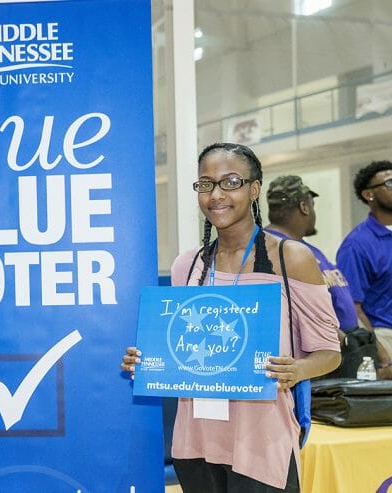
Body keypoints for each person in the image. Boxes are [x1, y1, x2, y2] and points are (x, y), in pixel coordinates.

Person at [121, 143, 341, 492]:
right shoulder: (187, 265)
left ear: (254, 189)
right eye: (206, 184)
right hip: (196, 440)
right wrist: (148, 361)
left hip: (262, 444)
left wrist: (297, 369)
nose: (216, 195)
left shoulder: (291, 259)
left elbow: (329, 353)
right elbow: (179, 343)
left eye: (231, 182)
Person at [264, 175, 382, 378]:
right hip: (320, 356)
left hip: (345, 350)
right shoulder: (272, 248)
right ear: (304, 207)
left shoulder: (305, 248)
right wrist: (335, 336)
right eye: (313, 205)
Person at [336, 160, 392, 379]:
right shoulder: (356, 245)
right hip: (387, 338)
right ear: (369, 194)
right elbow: (353, 309)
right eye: (389, 183)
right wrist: (382, 356)